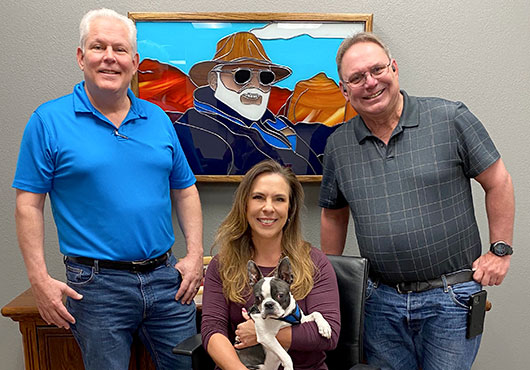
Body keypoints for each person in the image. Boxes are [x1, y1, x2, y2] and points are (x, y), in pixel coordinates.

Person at [12, 8, 203, 370]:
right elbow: (28, 204)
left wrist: (194, 255)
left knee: (189, 365)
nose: (109, 58)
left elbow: (185, 189)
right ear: (81, 57)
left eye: (119, 49)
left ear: (134, 62)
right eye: (98, 47)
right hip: (96, 287)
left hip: (166, 280)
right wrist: (38, 279)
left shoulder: (158, 119)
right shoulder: (48, 121)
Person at [319, 32, 514, 370]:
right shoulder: (338, 145)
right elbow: (334, 216)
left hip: (451, 298)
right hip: (379, 304)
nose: (370, 82)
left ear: (394, 69)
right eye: (357, 78)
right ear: (344, 90)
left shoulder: (450, 118)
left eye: (377, 69)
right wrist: (330, 285)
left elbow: (498, 181)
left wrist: (500, 251)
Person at [201, 160, 340, 369]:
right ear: (244, 204)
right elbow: (213, 330)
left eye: (279, 199)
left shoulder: (315, 262)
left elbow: (328, 335)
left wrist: (260, 333)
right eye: (258, 197)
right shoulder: (222, 265)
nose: (268, 208)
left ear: (290, 208)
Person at [173, 32, 337, 176]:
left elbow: (317, 135)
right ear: (214, 81)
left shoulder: (274, 124)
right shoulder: (194, 127)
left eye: (265, 78)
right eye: (242, 75)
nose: (255, 85)